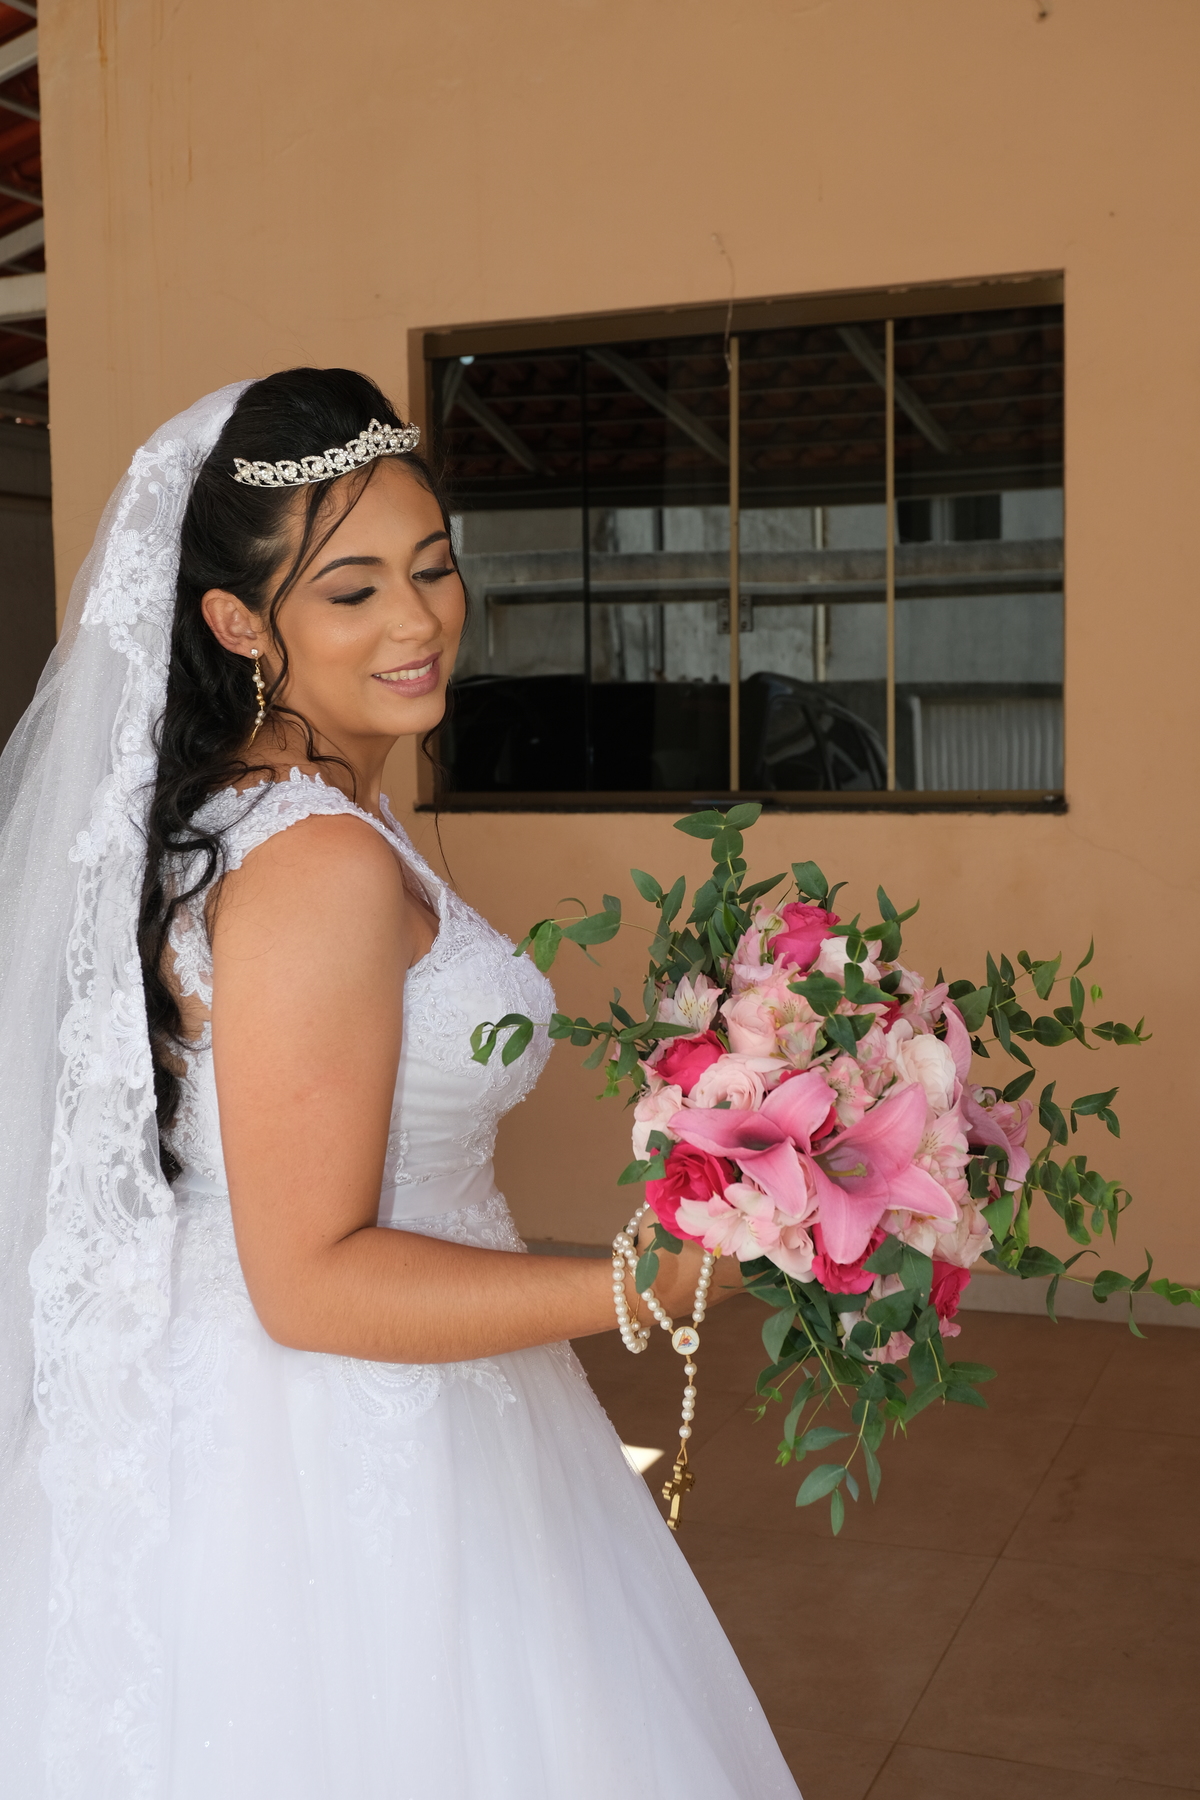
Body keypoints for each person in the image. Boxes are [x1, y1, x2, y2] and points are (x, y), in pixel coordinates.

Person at [0, 369, 801, 1799]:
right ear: (240, 624)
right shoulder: (317, 861)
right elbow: (311, 1283)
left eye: (433, 567)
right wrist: (651, 1284)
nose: (419, 620)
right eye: (353, 589)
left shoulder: (283, 809)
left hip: (345, 1381)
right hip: (322, 1424)